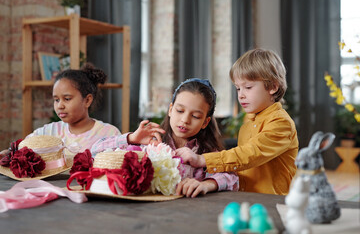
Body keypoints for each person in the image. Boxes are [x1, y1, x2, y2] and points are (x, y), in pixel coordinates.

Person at [175, 49, 299, 195]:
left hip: (272, 202)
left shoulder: (281, 123)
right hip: (246, 198)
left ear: (273, 87)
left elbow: (250, 154)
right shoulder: (249, 121)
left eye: (248, 87)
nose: (241, 95)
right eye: (238, 88)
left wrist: (203, 160)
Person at [91, 78, 239, 198]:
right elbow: (94, 152)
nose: (185, 120)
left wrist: (206, 184)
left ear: (205, 122)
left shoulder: (205, 153)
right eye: (180, 110)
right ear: (170, 109)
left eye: (195, 116)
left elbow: (233, 179)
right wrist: (131, 138)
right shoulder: (148, 143)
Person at [0, 63, 163, 156]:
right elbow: (26, 145)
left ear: (87, 100)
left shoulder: (108, 133)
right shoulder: (50, 131)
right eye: (56, 100)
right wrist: (9, 152)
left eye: (67, 99)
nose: (60, 105)